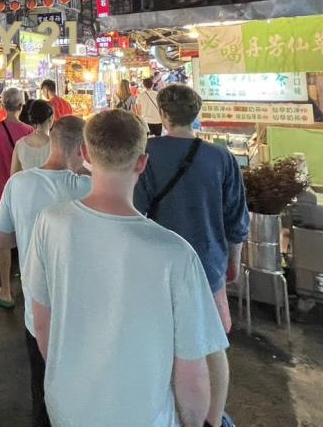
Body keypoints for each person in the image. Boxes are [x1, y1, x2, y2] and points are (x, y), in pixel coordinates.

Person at [23, 110, 229, 427]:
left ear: (85, 154)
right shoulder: (176, 254)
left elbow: (41, 320)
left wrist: (67, 378)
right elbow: (192, 374)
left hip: (66, 406)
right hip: (146, 416)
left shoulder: (51, 223)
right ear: (142, 163)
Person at [134, 84, 248, 427]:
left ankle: (171, 411)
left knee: (162, 341)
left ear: (164, 115)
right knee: (210, 344)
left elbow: (135, 212)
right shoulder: (221, 157)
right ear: (195, 114)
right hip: (208, 262)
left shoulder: (145, 154)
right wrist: (234, 262)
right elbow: (236, 219)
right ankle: (212, 419)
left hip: (156, 265)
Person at [0, 116, 90, 427]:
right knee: (85, 391)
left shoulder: (18, 184)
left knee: (44, 390)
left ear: (53, 142)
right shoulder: (92, 187)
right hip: (85, 311)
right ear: (82, 149)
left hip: (38, 312)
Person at [0, 87, 33, 310]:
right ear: (21, 106)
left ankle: (6, 292)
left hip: (2, 193)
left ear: (3, 105)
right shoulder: (30, 131)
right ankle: (30, 287)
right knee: (26, 242)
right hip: (26, 195)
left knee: (3, 244)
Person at [12, 99, 54, 175]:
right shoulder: (56, 145)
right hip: (49, 187)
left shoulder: (19, 144)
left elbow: (13, 176)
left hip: (26, 186)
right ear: (50, 119)